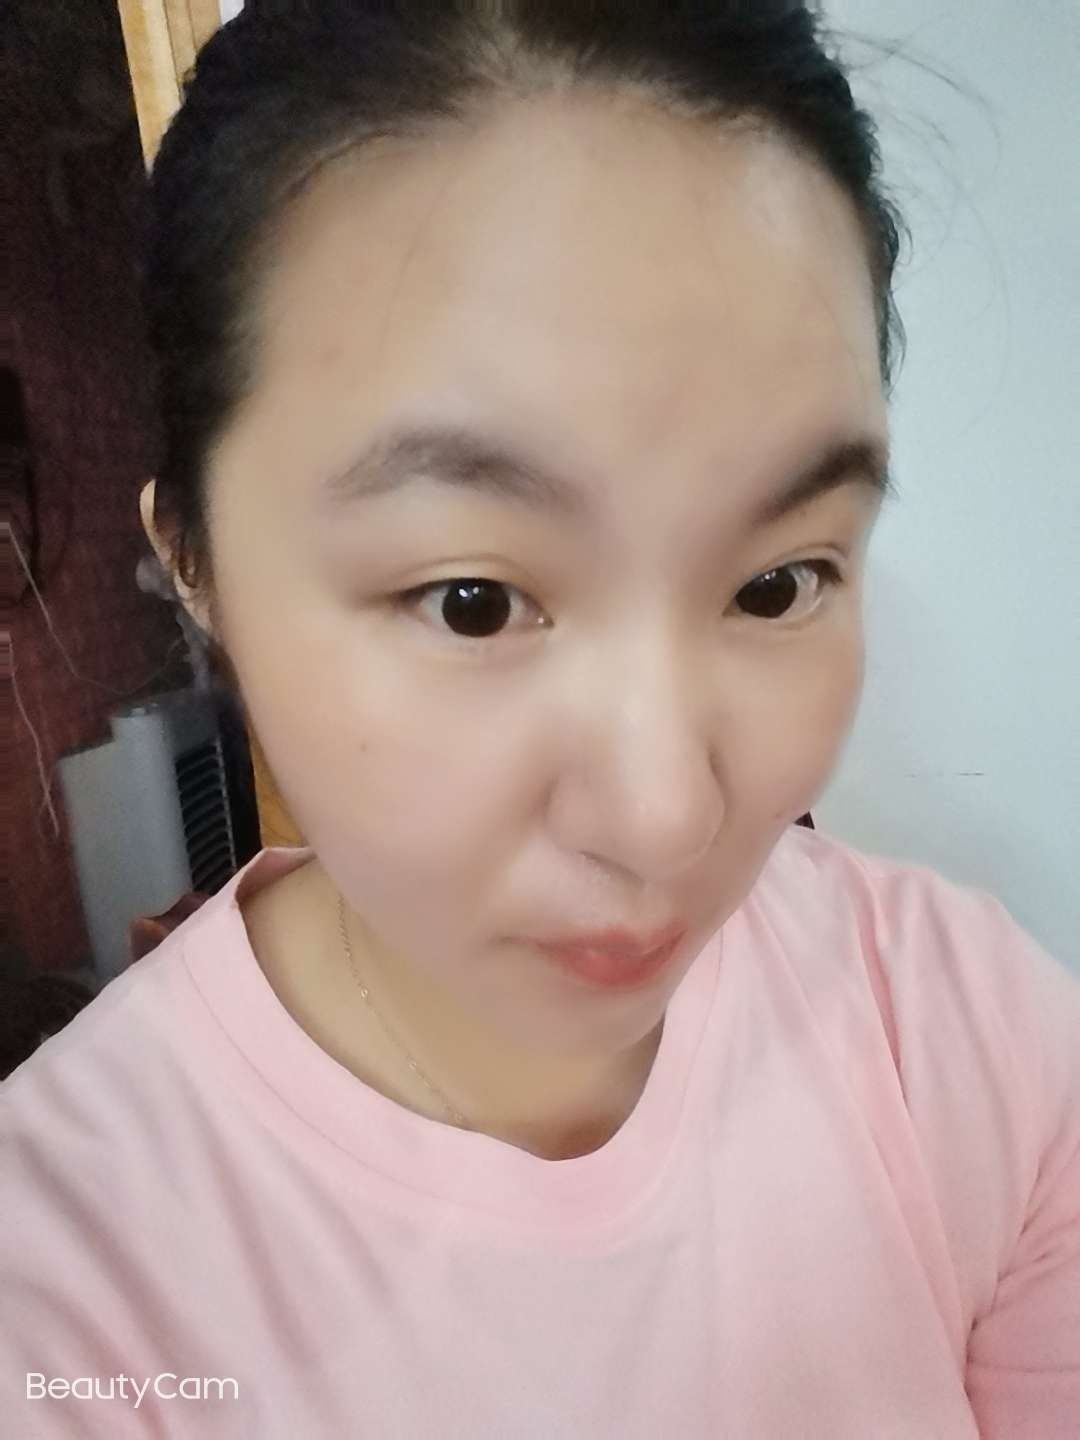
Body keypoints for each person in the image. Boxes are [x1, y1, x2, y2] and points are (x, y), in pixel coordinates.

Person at [3, 2, 1078, 1435]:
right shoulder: (62, 1291)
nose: (667, 818)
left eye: (775, 583)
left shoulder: (972, 1038)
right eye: (473, 602)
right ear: (195, 565)